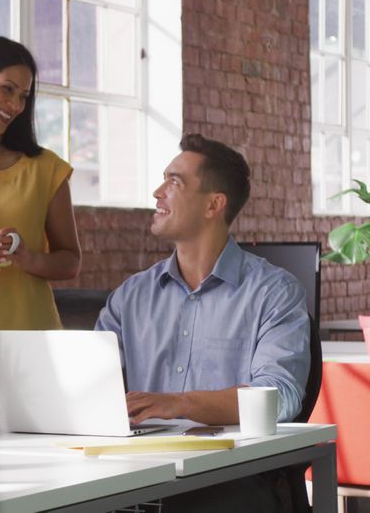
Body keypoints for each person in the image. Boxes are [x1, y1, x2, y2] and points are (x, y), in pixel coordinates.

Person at [95, 133, 309, 511]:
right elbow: (90, 387)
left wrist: (179, 403)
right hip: (134, 473)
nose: (157, 192)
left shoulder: (274, 292)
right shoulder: (131, 296)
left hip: (229, 478)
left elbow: (281, 398)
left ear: (213, 205)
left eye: (174, 182)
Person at [0, 37, 81, 409]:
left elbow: (70, 260)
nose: (15, 105)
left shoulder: (45, 168)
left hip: (33, 349)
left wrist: (29, 258)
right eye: (7, 89)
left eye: (24, 97)